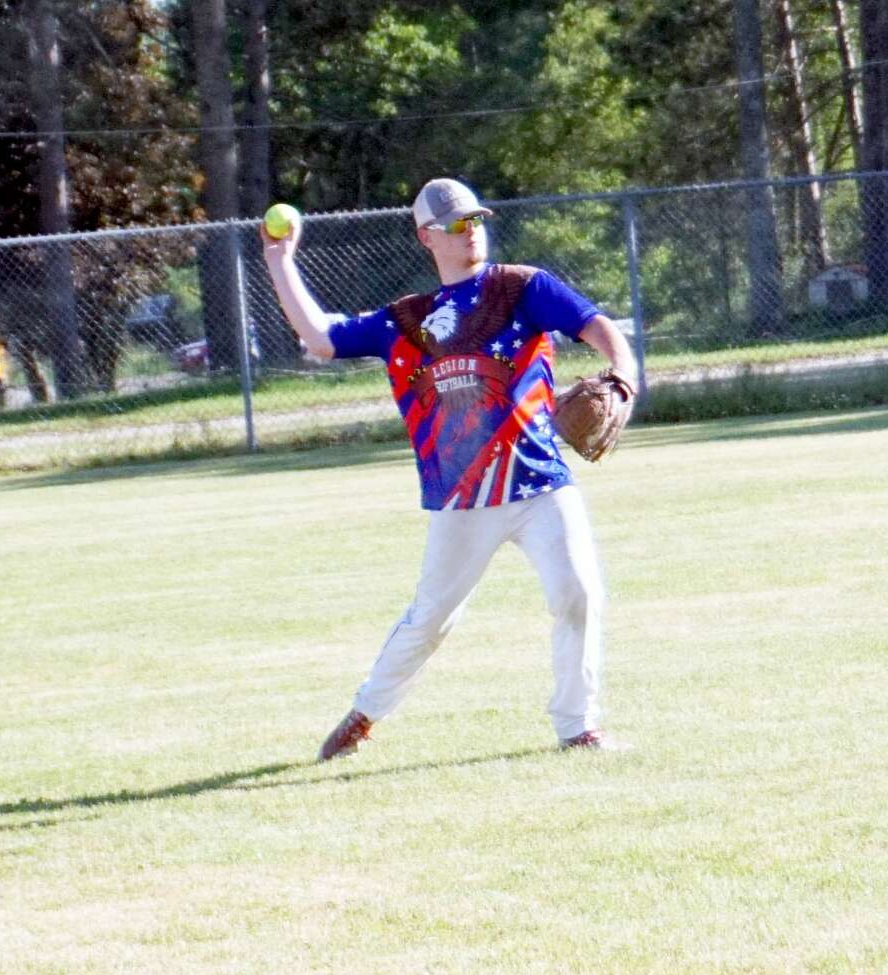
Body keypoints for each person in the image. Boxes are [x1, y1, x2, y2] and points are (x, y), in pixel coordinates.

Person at [261, 178, 638, 760]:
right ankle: (363, 716)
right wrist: (278, 260)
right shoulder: (406, 321)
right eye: (458, 225)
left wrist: (623, 373)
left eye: (477, 221)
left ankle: (578, 726)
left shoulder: (522, 288)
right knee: (432, 619)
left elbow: (595, 325)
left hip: (541, 482)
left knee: (579, 592)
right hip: (463, 499)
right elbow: (318, 337)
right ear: (427, 236)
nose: (472, 233)